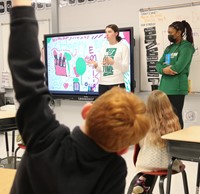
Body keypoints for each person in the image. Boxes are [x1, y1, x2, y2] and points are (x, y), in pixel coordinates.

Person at [8, 1, 150, 194]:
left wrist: (21, 6)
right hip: (104, 78)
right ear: (123, 149)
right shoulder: (114, 171)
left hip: (115, 79)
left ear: (87, 110)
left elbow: (25, 71)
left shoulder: (45, 138)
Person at [132, 90, 185, 194]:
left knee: (152, 165)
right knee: (168, 161)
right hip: (167, 165)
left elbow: (140, 143)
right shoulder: (173, 121)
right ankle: (144, 181)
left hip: (144, 163)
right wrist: (180, 163)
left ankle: (143, 180)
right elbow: (176, 149)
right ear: (167, 104)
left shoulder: (143, 121)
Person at [156, 20, 195, 129]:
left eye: (171, 32)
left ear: (179, 32)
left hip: (176, 88)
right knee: (164, 118)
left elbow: (178, 68)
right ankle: (167, 142)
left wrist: (165, 68)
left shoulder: (186, 47)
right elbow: (158, 64)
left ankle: (177, 142)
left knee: (175, 117)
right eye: (168, 32)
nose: (169, 35)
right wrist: (164, 70)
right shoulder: (169, 48)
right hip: (164, 88)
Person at [88, 24, 129, 96]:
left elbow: (125, 68)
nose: (107, 34)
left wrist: (113, 62)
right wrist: (96, 65)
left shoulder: (123, 47)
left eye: (109, 32)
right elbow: (100, 69)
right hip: (103, 83)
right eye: (106, 32)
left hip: (116, 83)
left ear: (116, 33)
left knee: (117, 107)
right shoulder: (103, 48)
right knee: (103, 107)